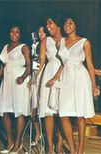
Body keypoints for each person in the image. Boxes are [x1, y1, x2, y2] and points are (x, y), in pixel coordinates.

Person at [46, 15, 100, 154]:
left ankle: (80, 149)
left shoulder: (84, 42)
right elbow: (64, 64)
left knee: (80, 115)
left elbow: (89, 64)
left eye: (70, 22)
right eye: (65, 23)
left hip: (80, 78)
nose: (67, 25)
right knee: (63, 114)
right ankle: (72, 147)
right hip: (66, 79)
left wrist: (94, 86)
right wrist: (54, 78)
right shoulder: (62, 42)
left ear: (76, 25)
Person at [0, 24, 31, 153]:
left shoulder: (24, 47)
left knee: (19, 112)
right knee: (5, 111)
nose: (14, 34)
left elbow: (29, 66)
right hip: (7, 81)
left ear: (20, 34)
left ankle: (18, 142)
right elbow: (3, 65)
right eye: (12, 31)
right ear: (9, 33)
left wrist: (23, 77)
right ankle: (10, 141)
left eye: (17, 32)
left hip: (19, 82)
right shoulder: (5, 47)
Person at [35, 15, 64, 153]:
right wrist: (35, 78)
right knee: (49, 112)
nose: (48, 27)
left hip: (65, 74)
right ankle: (49, 146)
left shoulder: (67, 39)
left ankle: (60, 141)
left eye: (50, 23)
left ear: (58, 24)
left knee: (63, 111)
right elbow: (41, 62)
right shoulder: (45, 41)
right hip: (49, 74)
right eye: (46, 25)